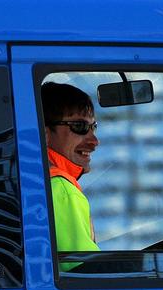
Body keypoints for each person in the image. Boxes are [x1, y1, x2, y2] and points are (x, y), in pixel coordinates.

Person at [42, 82, 100, 259]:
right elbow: (87, 273)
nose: (94, 141)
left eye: (94, 127)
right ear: (43, 134)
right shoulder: (60, 189)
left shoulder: (27, 179)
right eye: (80, 127)